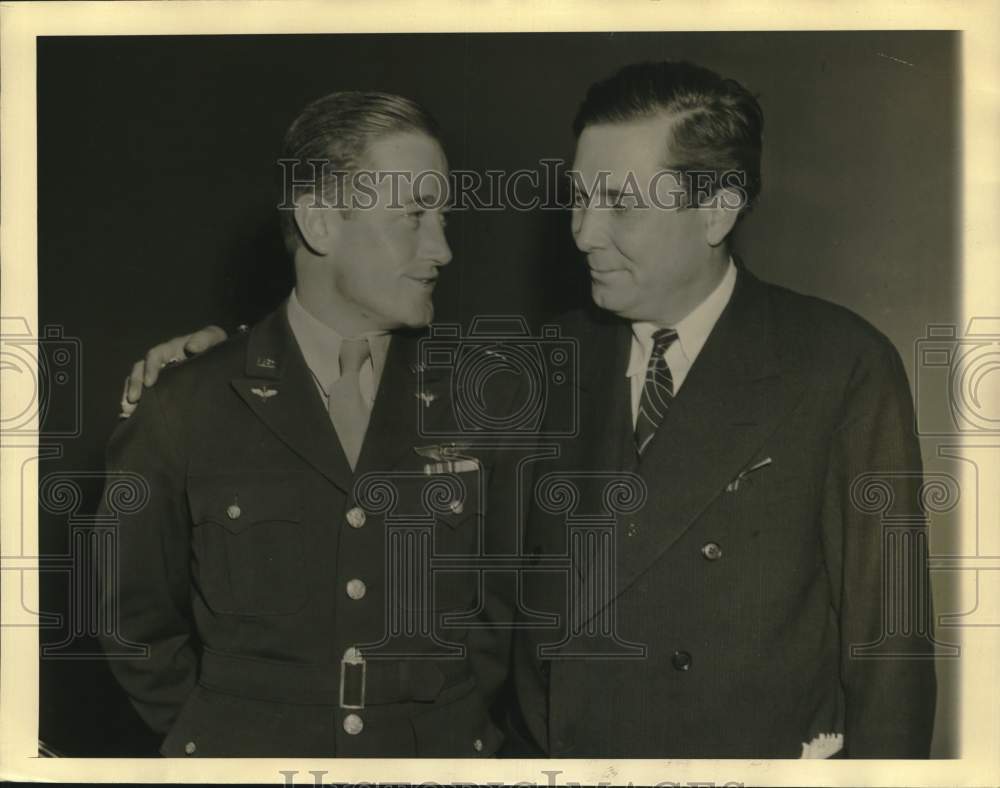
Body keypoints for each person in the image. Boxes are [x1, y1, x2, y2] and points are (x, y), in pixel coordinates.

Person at [123, 61, 938, 759]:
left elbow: (892, 648)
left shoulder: (836, 365)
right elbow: (337, 371)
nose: (583, 232)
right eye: (579, 198)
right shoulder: (525, 369)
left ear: (717, 209)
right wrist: (207, 359)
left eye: (619, 203)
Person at [98, 91, 519, 757]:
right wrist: (216, 736)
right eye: (412, 216)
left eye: (443, 218)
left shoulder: (480, 402)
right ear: (321, 222)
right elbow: (133, 618)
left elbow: (498, 616)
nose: (441, 249)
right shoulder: (187, 403)